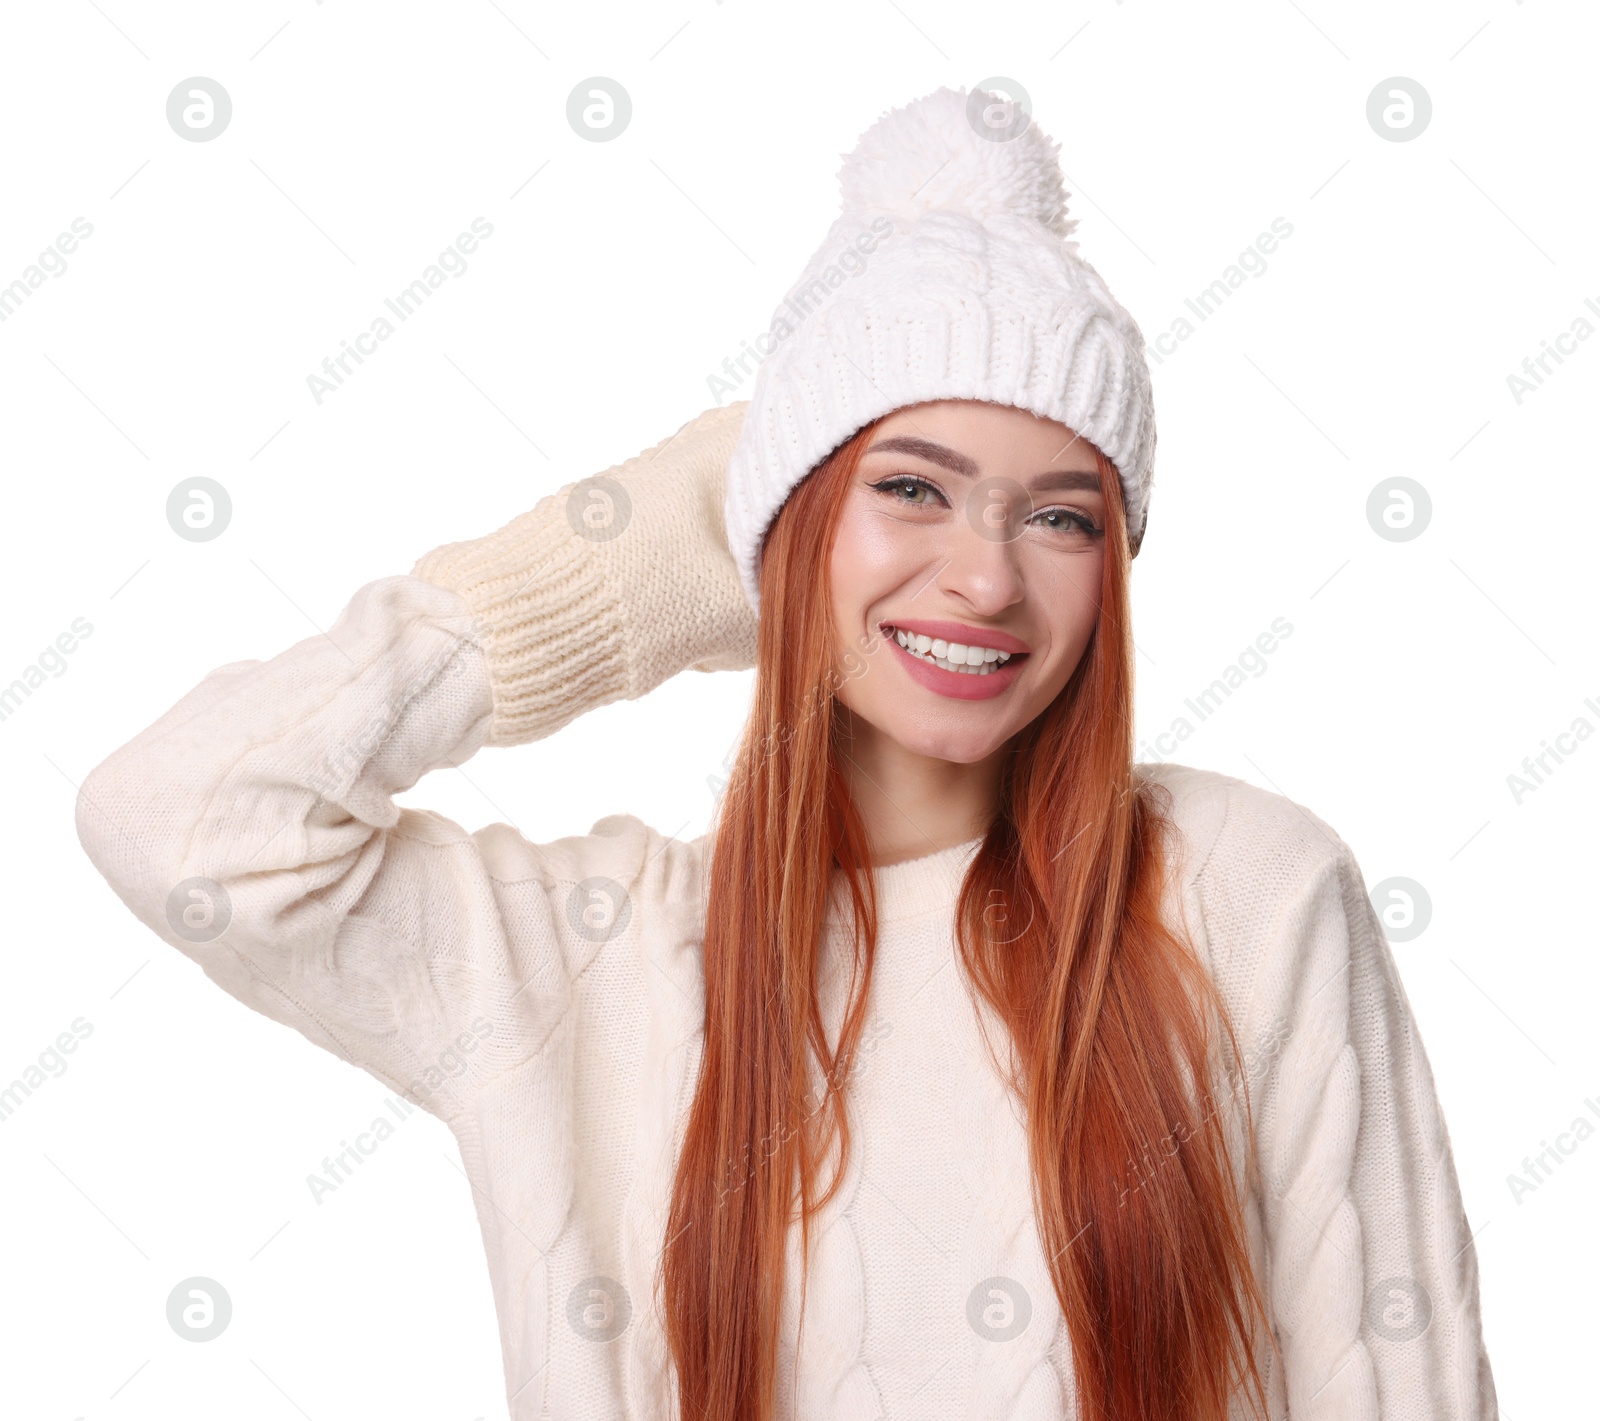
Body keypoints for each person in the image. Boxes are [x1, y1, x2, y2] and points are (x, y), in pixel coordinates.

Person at [75, 86, 1497, 1420]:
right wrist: (629, 563)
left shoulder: (1251, 890)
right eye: (908, 490)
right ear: (787, 525)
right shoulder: (591, 957)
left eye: (1060, 515)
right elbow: (179, 817)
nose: (987, 579)